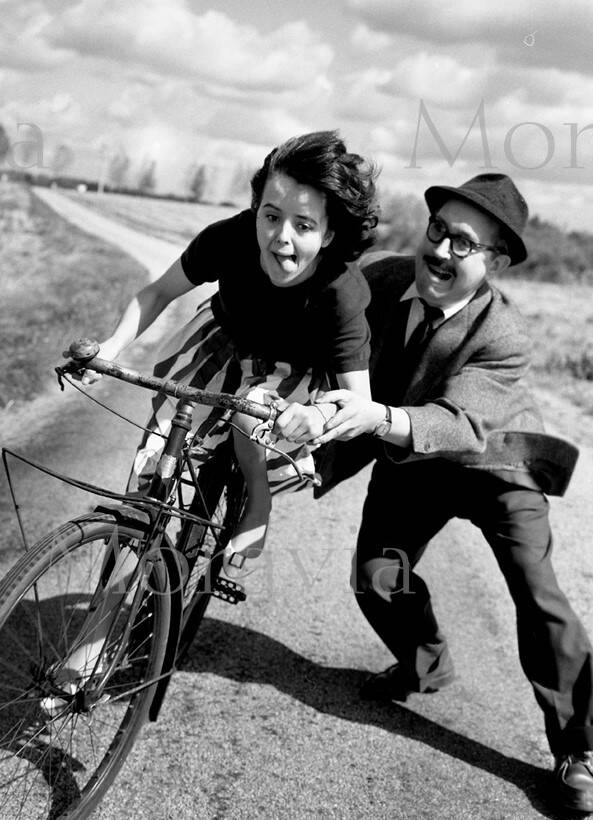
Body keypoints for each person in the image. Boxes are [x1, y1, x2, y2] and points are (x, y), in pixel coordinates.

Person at [295, 173, 593, 813]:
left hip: (497, 465)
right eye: (438, 232)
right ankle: (424, 664)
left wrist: (374, 419)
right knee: (378, 576)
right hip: (413, 461)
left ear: (496, 263)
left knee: (537, 594)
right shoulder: (381, 280)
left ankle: (580, 748)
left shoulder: (504, 336)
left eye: (465, 244)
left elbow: (457, 423)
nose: (441, 252)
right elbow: (333, 345)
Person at [84, 130, 378, 568]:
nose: (280, 237)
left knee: (251, 409)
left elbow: (360, 403)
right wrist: (109, 347)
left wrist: (317, 416)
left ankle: (258, 503)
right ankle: (113, 591)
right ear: (256, 209)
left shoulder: (342, 292)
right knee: (155, 453)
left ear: (330, 233)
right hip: (223, 340)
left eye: (303, 225)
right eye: (270, 216)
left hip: (291, 369)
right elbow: (157, 293)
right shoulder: (230, 237)